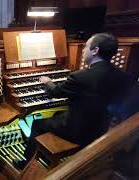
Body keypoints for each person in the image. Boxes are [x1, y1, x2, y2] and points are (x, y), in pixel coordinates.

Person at [14, 33, 132, 169]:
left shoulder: (80, 77)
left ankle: (25, 163)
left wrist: (48, 82)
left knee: (37, 123)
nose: (83, 50)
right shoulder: (122, 77)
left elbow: (55, 93)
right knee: (56, 115)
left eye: (86, 46)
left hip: (77, 131)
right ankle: (44, 152)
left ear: (95, 50)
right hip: (100, 128)